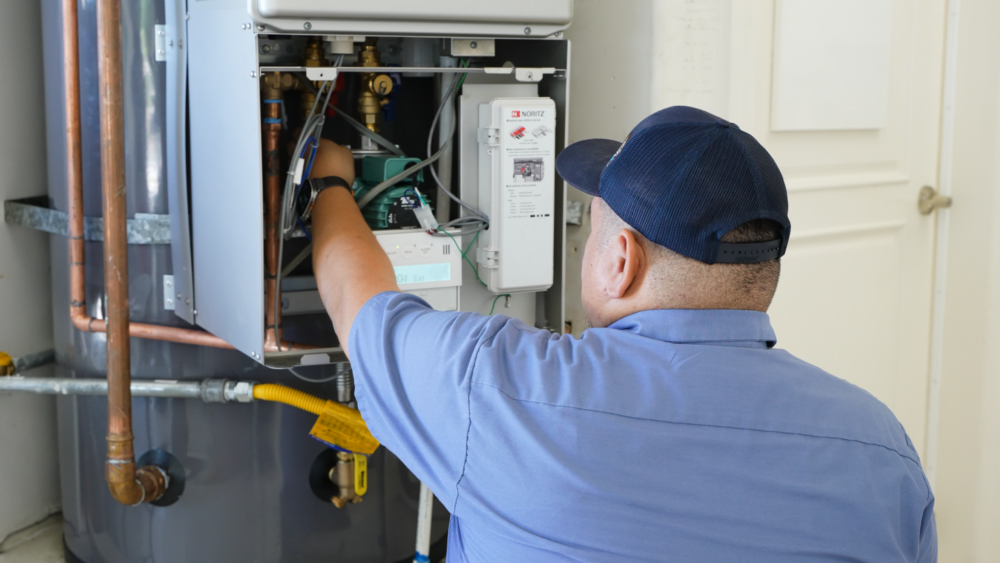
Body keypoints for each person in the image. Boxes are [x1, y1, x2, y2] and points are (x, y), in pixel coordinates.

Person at [306, 106, 937, 561]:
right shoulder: (884, 451)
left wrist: (330, 180)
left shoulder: (501, 389)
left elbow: (355, 299)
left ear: (621, 260)